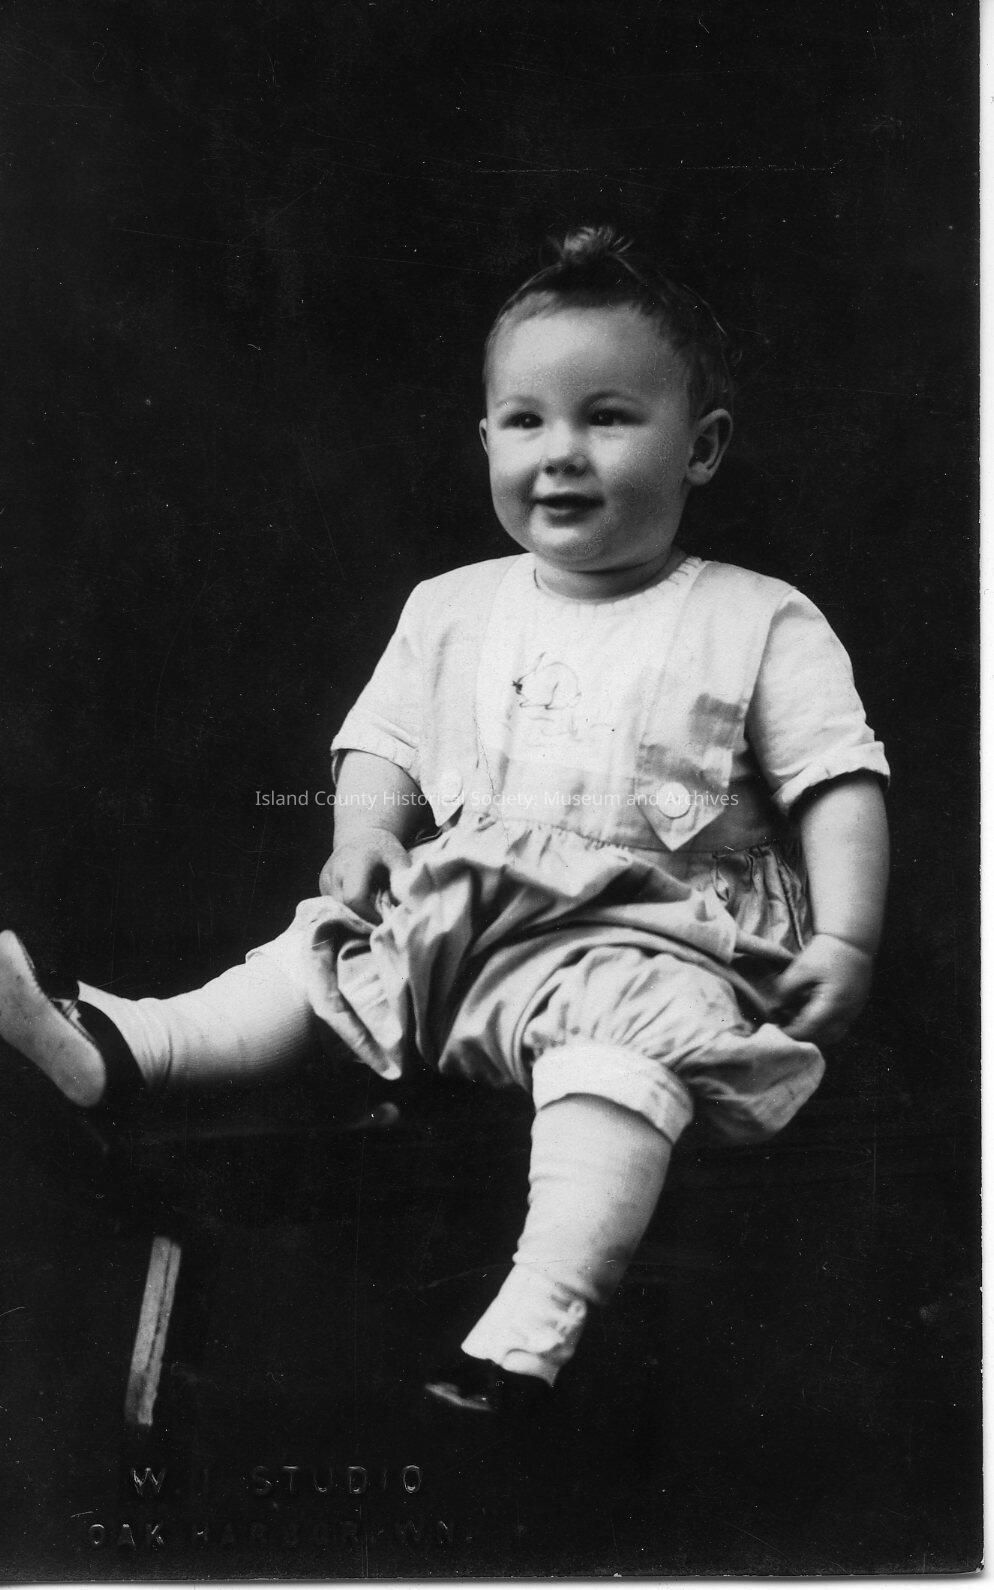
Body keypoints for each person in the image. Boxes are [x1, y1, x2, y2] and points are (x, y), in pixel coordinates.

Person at [0, 226, 889, 1415]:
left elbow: (837, 777)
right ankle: (126, 1048)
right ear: (485, 442)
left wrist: (846, 938)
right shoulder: (453, 607)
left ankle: (535, 1317)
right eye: (525, 421)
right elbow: (382, 741)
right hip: (470, 924)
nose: (560, 452)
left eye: (607, 418)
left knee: (619, 1060)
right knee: (324, 952)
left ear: (702, 447)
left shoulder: (758, 618)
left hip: (657, 940)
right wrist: (363, 836)